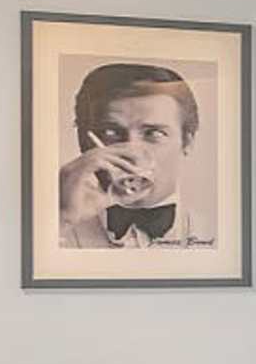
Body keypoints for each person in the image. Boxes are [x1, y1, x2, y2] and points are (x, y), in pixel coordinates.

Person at [55, 61, 211, 249]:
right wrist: (62, 218)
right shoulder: (54, 229)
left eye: (154, 133)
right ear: (84, 142)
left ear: (187, 142)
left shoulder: (220, 234)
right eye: (110, 133)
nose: (132, 154)